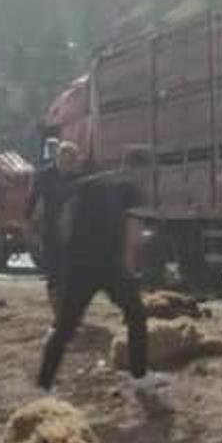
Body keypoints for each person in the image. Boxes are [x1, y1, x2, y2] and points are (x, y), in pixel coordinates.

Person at [37, 149, 166, 393]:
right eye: (148, 172)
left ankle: (44, 383)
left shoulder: (88, 183)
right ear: (140, 168)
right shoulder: (132, 188)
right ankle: (140, 376)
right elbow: (132, 232)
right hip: (109, 264)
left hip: (79, 263)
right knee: (136, 314)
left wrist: (67, 254)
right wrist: (129, 269)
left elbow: (64, 220)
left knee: (65, 326)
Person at [26, 141, 82, 317]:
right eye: (67, 159)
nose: (70, 164)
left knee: (71, 271)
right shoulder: (44, 176)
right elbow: (32, 201)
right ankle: (57, 310)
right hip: (50, 229)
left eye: (73, 160)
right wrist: (30, 225)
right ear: (58, 157)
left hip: (74, 231)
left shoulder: (79, 178)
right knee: (53, 270)